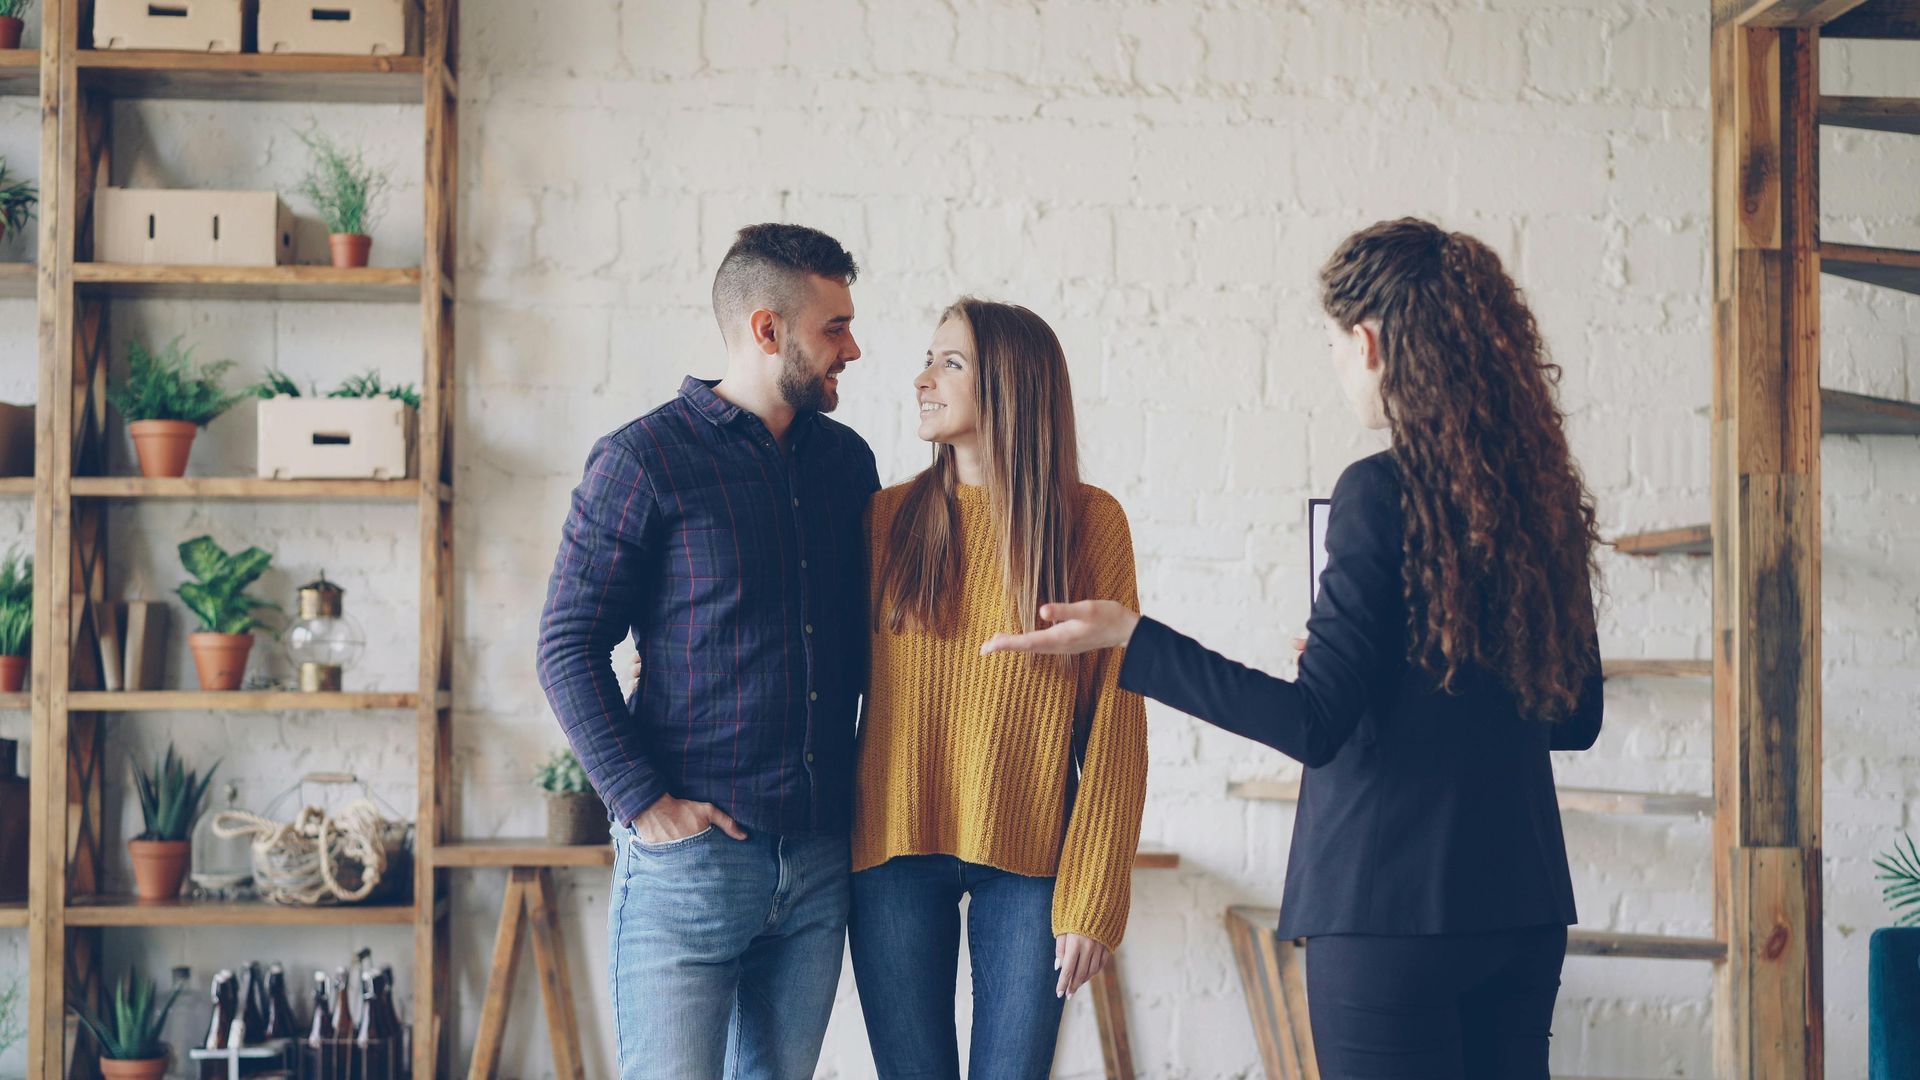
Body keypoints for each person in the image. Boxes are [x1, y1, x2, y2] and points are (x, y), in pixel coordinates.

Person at [984, 218, 1605, 1080]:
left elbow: (1313, 724)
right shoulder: (1537, 496)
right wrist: (1405, 669)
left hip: (1388, 912)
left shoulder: (1379, 491)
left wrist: (1133, 638)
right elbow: (1576, 717)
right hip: (1521, 906)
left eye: (1331, 343)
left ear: (1369, 341)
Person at [537, 223, 878, 1080]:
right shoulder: (642, 460)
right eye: (834, 327)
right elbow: (567, 644)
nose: (854, 348)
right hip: (689, 868)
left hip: (818, 865)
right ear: (768, 330)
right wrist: (645, 805)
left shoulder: (849, 465)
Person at [848, 298, 1149, 1079]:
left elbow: (1117, 720)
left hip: (1031, 862)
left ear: (1013, 386)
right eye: (928, 358)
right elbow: (816, 659)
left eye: (950, 363)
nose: (922, 379)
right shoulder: (884, 519)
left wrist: (1093, 895)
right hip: (890, 851)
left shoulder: (1090, 524)